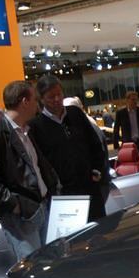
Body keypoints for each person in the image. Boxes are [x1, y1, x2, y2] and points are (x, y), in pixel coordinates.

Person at [0, 81, 60, 261]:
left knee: (48, 264)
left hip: (40, 208)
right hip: (21, 216)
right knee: (32, 267)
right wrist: (15, 206)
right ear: (24, 102)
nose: (37, 104)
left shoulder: (26, 131)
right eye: (35, 100)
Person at [29, 75, 108, 221]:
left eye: (59, 94)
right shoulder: (35, 126)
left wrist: (98, 169)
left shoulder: (75, 113)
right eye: (51, 97)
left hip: (89, 186)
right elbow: (40, 163)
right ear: (41, 99)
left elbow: (95, 144)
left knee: (99, 229)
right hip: (63, 196)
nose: (57, 99)